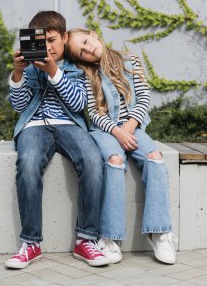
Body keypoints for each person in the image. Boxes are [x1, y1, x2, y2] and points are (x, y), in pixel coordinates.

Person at [5, 12, 110, 269]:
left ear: (64, 38)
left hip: (69, 125)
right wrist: (18, 74)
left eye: (51, 40)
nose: (47, 47)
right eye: (41, 42)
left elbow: (78, 104)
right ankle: (31, 243)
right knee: (28, 162)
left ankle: (86, 239)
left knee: (93, 160)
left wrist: (53, 71)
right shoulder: (30, 69)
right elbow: (19, 106)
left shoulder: (76, 68)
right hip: (34, 126)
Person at [65, 28, 177, 265]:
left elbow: (144, 96)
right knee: (115, 161)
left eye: (86, 41)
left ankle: (159, 232)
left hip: (133, 127)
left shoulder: (130, 60)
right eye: (81, 52)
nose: (88, 49)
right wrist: (116, 131)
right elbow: (94, 113)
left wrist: (130, 125)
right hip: (105, 130)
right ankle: (109, 237)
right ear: (79, 59)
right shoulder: (86, 73)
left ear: (94, 35)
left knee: (155, 157)